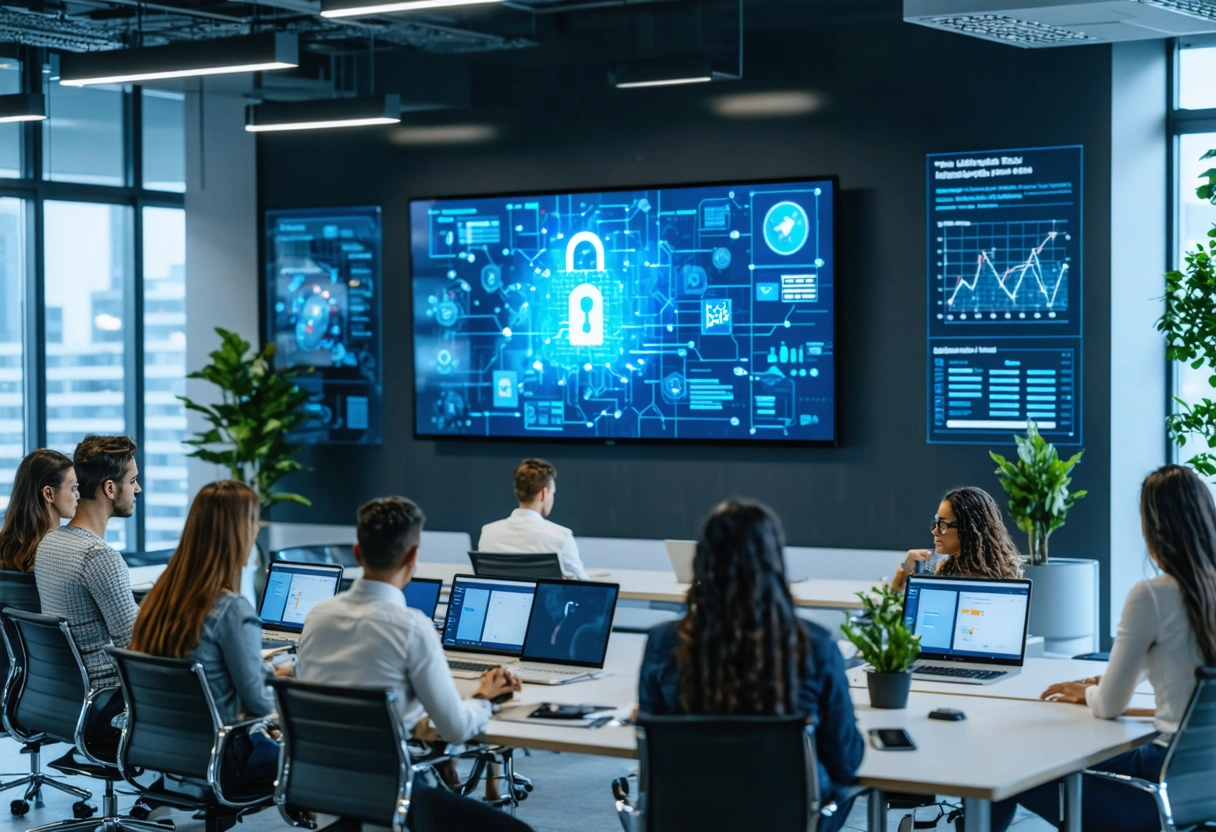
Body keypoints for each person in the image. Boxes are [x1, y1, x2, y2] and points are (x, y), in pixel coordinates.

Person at [992, 464, 1216, 832]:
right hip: (1200, 788)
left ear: (1154, 530)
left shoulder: (1153, 595)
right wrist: (1107, 681)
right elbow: (1179, 666)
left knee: (1009, 765)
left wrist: (1094, 692)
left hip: (1156, 788)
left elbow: (1110, 706)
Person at [637, 499, 864, 832]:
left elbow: (650, 753)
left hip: (689, 819)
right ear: (774, 562)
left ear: (702, 562)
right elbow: (846, 763)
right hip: (788, 820)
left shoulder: (663, 642)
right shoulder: (813, 645)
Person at [297, 497, 520, 796]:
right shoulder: (412, 626)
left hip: (323, 793)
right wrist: (485, 696)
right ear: (414, 557)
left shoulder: (318, 615)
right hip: (391, 796)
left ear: (357, 553)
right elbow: (455, 728)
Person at [130, 480, 281, 787]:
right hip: (224, 756)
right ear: (239, 531)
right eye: (253, 522)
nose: (256, 532)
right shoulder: (232, 609)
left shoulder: (161, 595)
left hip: (161, 746)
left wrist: (268, 671)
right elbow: (260, 704)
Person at [35, 435, 141, 692]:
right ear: (110, 488)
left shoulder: (49, 543)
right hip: (111, 695)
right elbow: (135, 644)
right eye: (132, 481)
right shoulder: (99, 556)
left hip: (67, 695)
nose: (137, 489)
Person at [890, 486, 1022, 592]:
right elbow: (893, 602)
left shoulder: (996, 581)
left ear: (967, 530)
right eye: (936, 522)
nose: (934, 531)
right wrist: (906, 567)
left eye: (942, 524)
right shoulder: (940, 565)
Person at [478, 459, 590, 581]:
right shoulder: (561, 537)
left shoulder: (488, 533)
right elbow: (583, 585)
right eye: (552, 493)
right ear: (543, 493)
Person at [0, 449, 78, 573]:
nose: (77, 495)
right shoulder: (65, 554)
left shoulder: (4, 548)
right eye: (74, 488)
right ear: (49, 493)